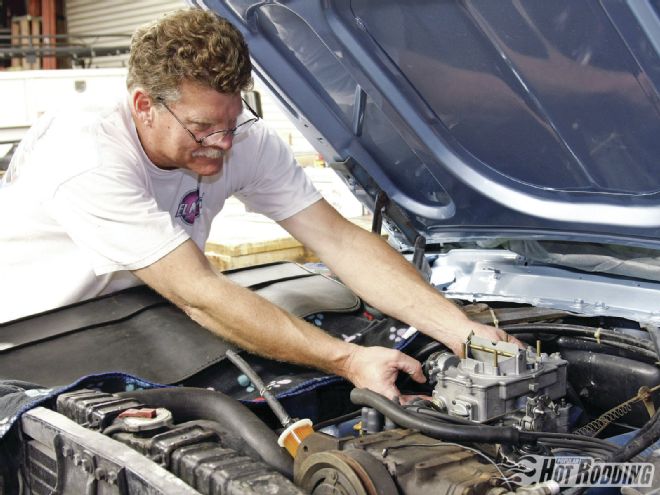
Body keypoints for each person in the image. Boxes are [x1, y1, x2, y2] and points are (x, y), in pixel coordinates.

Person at [0, 8, 520, 400]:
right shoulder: (85, 153)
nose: (223, 144)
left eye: (232, 123)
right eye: (201, 128)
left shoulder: (241, 136)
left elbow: (337, 239)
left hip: (141, 320)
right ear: (143, 106)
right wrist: (348, 360)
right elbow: (198, 292)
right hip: (33, 343)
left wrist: (464, 332)